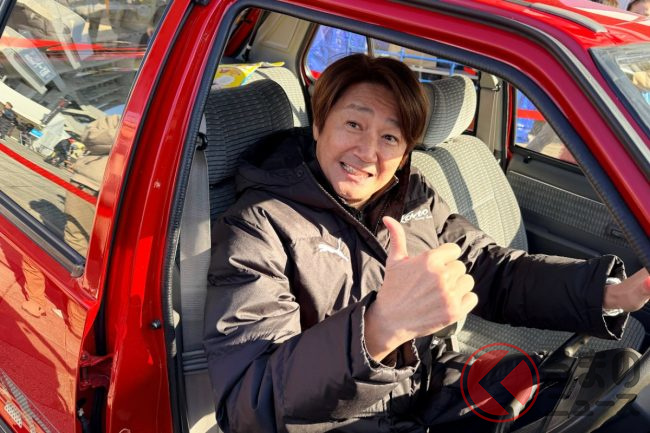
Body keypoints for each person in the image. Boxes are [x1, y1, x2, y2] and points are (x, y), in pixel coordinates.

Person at [203, 54, 650, 432]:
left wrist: (609, 293)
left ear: (404, 152)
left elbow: (491, 270)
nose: (367, 151)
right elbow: (249, 404)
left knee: (613, 391)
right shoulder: (258, 224)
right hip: (340, 421)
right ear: (319, 125)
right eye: (353, 124)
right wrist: (379, 329)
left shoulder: (411, 195)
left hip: (431, 389)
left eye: (389, 137)